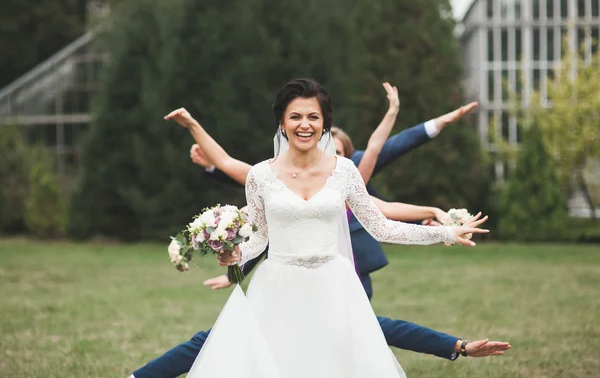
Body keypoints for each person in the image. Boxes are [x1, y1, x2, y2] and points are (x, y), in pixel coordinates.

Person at [157, 78, 491, 377]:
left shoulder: (345, 171)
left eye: (313, 117)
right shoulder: (260, 176)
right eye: (296, 117)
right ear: (282, 124)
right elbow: (260, 238)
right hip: (277, 286)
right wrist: (235, 255)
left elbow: (382, 227)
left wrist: (445, 233)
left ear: (324, 124)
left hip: (333, 284)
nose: (305, 124)